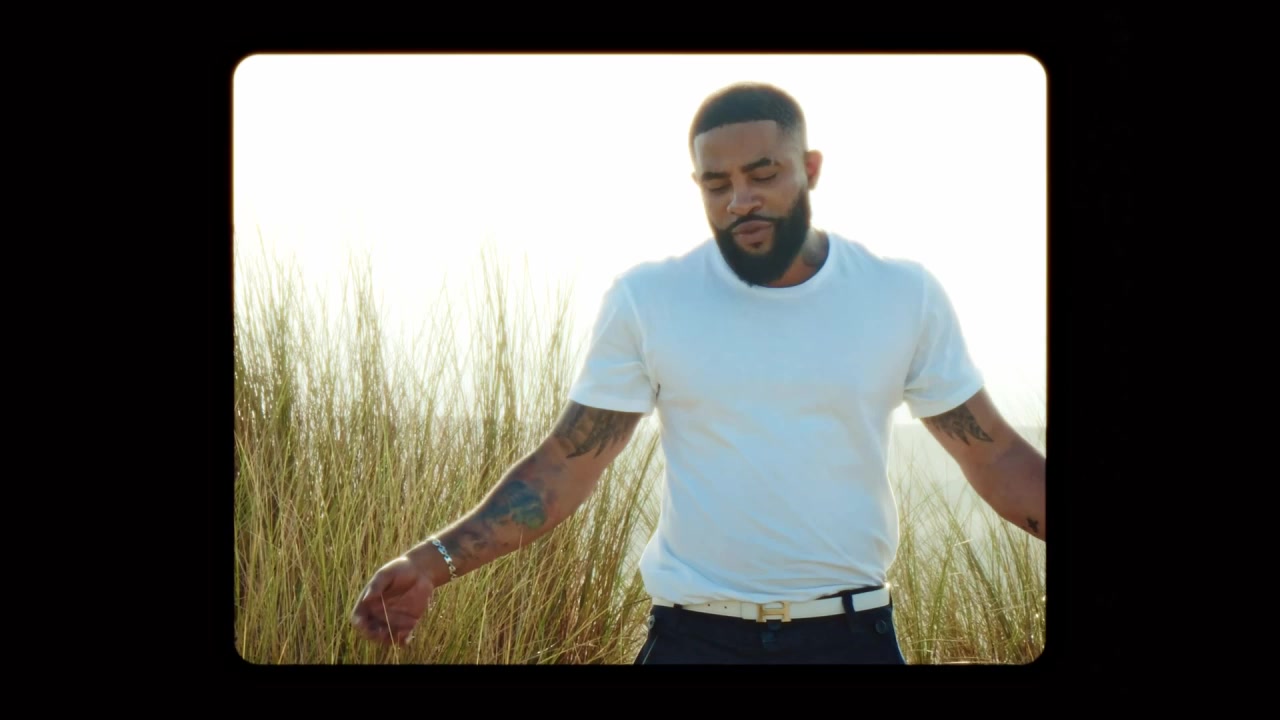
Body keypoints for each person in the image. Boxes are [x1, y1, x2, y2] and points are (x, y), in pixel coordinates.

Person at [350, 81, 1046, 664]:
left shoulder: (900, 295)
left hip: (849, 636)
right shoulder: (651, 299)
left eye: (763, 176)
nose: (740, 200)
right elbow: (566, 463)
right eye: (718, 184)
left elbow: (992, 455)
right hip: (694, 639)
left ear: (811, 168)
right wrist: (431, 562)